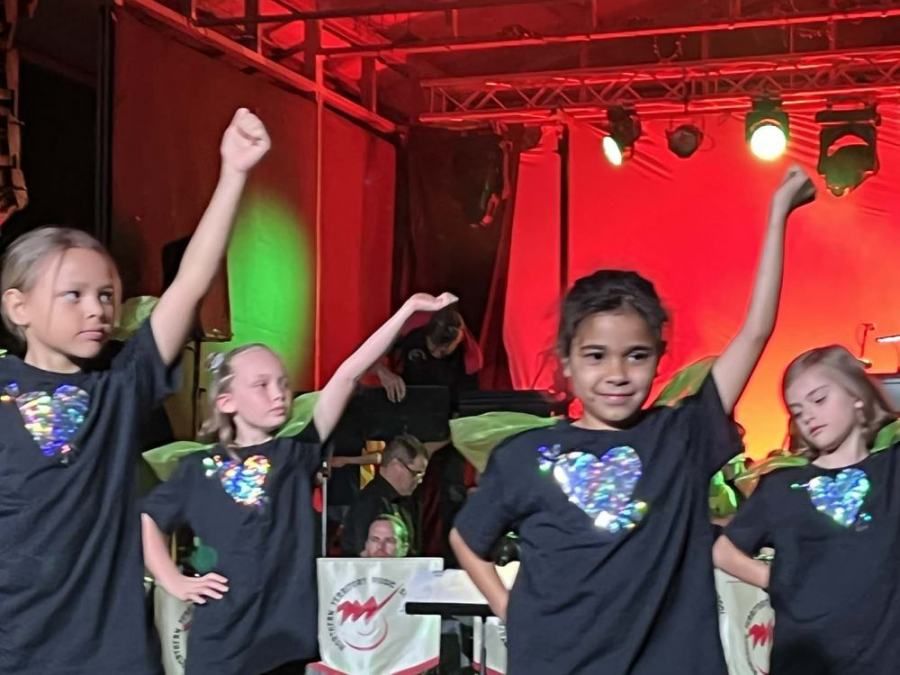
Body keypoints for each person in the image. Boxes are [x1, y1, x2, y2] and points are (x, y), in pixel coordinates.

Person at [449, 166, 816, 674]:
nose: (617, 374)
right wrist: (512, 611)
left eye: (636, 355)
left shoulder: (679, 437)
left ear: (659, 358)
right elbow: (467, 539)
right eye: (596, 356)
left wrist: (777, 215)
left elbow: (755, 332)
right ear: (567, 361)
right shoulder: (523, 456)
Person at [0, 108, 268, 674]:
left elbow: (189, 283)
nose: (96, 308)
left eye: (106, 294)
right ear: (18, 306)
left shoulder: (118, 393)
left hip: (109, 653)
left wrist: (233, 173)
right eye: (73, 294)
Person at [141, 292, 457, 675]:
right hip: (221, 646)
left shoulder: (295, 454)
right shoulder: (197, 468)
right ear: (226, 401)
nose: (278, 393)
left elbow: (348, 375)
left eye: (283, 383)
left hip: (282, 645)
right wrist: (172, 580)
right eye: (261, 385)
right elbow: (150, 518)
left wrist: (407, 312)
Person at [714, 346, 900, 674]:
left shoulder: (891, 472)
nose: (809, 416)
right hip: (805, 661)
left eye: (819, 399)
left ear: (857, 395)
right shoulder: (782, 487)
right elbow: (724, 551)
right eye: (798, 411)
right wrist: (778, 580)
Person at [340, 433, 427, 556]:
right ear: (396, 466)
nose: (420, 480)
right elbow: (365, 555)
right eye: (416, 473)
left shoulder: (410, 502)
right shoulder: (368, 503)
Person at [374, 306, 479, 403]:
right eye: (432, 349)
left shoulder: (470, 357)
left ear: (458, 341)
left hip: (444, 404)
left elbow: (467, 399)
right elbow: (370, 357)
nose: (436, 355)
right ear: (426, 334)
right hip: (406, 397)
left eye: (443, 352)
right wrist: (383, 372)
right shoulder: (409, 330)